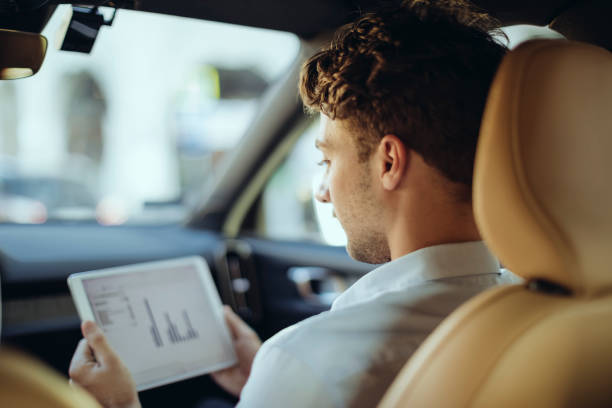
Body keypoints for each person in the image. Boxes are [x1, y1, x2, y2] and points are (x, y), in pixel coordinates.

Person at [68, 1, 518, 407]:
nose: (322, 191)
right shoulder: (536, 312)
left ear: (389, 162)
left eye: (327, 159)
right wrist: (261, 380)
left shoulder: (313, 361)